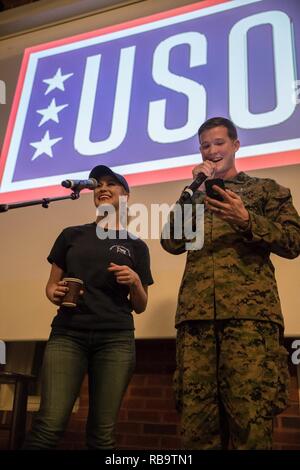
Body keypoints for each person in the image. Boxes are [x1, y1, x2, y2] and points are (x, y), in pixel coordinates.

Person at [161, 117, 300, 450]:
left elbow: (294, 242)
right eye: (205, 146)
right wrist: (191, 191)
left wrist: (248, 220)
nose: (212, 151)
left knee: (250, 423)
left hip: (250, 323)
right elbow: (171, 242)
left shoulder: (267, 190)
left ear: (235, 145)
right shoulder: (193, 196)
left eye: (219, 143)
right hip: (196, 325)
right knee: (196, 428)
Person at [24, 165, 153, 449]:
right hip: (68, 336)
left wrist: (134, 282)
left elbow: (141, 306)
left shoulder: (137, 246)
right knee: (49, 425)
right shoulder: (72, 235)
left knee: (102, 434)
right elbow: (51, 285)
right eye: (98, 185)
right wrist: (52, 292)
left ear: (126, 195)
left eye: (112, 184)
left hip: (115, 340)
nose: (102, 188)